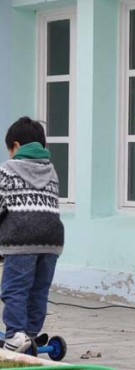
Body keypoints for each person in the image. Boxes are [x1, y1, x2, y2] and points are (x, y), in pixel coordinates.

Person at [0, 116, 64, 352]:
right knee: (39, 289)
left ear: (16, 146)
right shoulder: (52, 171)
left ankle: (16, 335)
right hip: (52, 240)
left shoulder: (6, 171)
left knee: (15, 288)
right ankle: (30, 334)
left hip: (21, 239)